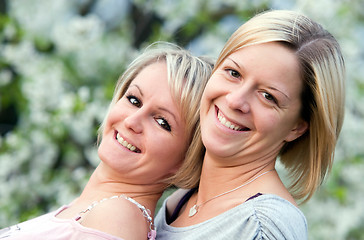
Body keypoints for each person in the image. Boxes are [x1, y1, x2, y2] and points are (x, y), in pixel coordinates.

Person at [155, 10, 345, 239]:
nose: (235, 100)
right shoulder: (180, 201)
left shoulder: (263, 227)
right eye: (233, 73)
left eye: (268, 96)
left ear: (297, 127)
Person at [0, 43, 213, 240]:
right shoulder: (95, 211)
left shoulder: (117, 217)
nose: (132, 121)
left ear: (187, 159)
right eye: (134, 100)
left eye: (162, 122)